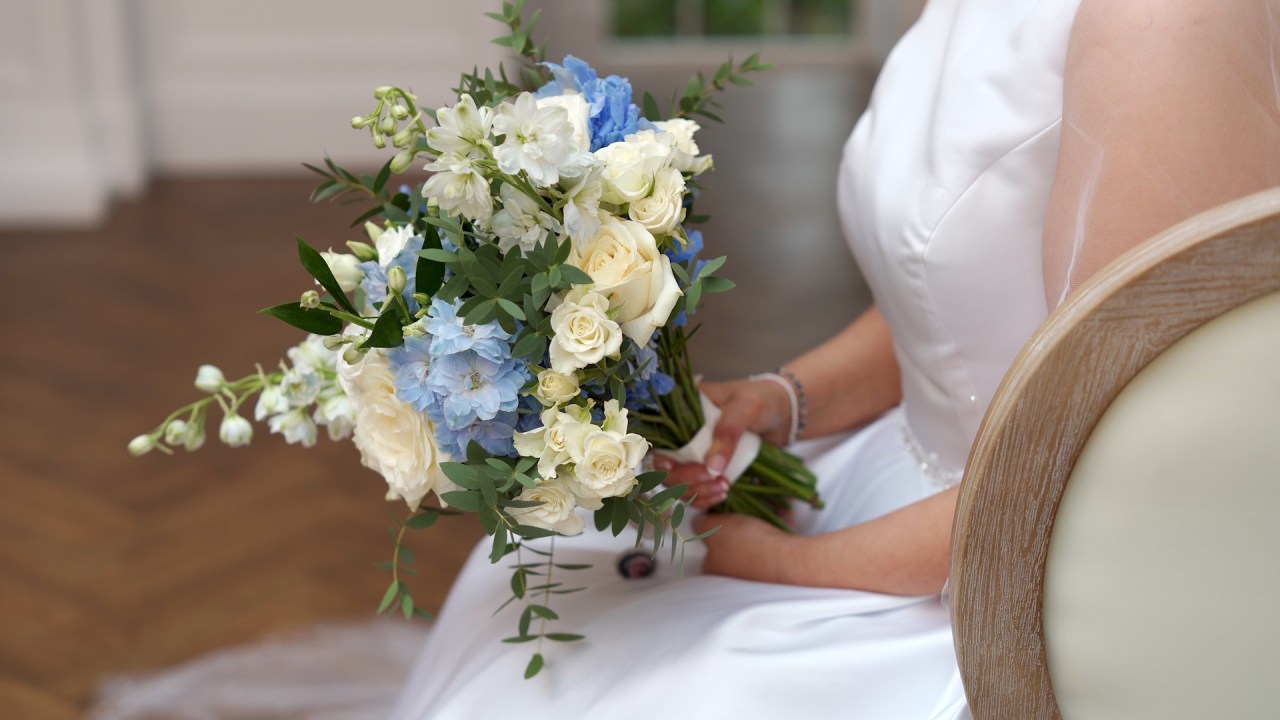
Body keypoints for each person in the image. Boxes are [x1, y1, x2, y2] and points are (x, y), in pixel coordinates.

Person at [90, 1, 1279, 718]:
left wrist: (778, 565)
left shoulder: (1160, 27)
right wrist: (780, 398)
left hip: (1013, 579)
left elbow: (1099, 466)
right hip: (918, 489)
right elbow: (958, 290)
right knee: (544, 586)